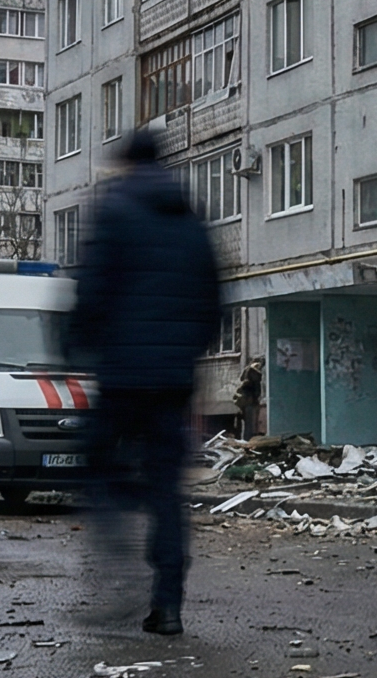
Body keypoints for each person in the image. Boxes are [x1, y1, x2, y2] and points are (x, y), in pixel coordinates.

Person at [66, 127, 223, 636]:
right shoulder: (191, 219)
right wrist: (186, 356)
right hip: (173, 380)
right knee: (166, 489)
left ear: (127, 164)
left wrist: (76, 346)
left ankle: (119, 568)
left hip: (122, 375)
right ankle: (168, 605)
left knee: (95, 465)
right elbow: (213, 301)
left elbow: (92, 287)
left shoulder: (113, 209)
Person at [234, 360, 263, 439]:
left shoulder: (246, 373)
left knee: (245, 422)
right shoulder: (255, 374)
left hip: (243, 401)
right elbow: (257, 392)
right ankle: (247, 440)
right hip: (250, 401)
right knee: (250, 424)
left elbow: (241, 380)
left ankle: (242, 438)